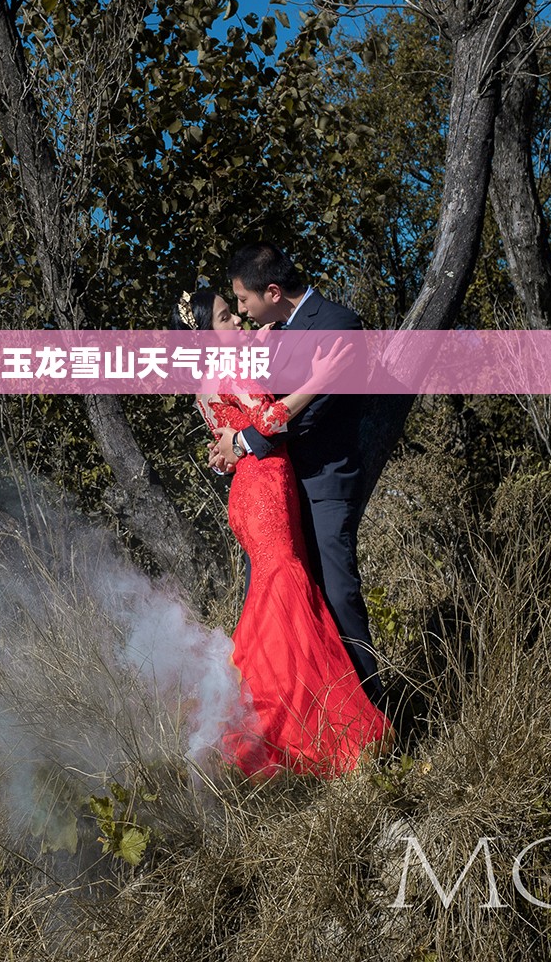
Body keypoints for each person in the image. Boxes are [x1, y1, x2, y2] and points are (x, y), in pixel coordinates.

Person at [178, 286, 389, 778]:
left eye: (235, 314)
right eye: (227, 319)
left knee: (275, 597)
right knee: (286, 593)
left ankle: (273, 718)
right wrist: (320, 378)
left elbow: (235, 425)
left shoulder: (212, 374)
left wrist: (260, 343)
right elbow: (270, 418)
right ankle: (311, 730)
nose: (237, 324)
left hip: (256, 485)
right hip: (263, 486)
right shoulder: (224, 368)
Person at [208, 243, 385, 713]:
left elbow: (311, 416)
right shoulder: (263, 338)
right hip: (271, 489)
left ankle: (371, 710)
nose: (242, 313)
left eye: (243, 302)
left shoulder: (339, 325)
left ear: (271, 291)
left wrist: (241, 442)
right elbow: (246, 402)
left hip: (321, 480)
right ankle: (286, 713)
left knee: (337, 591)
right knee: (274, 601)